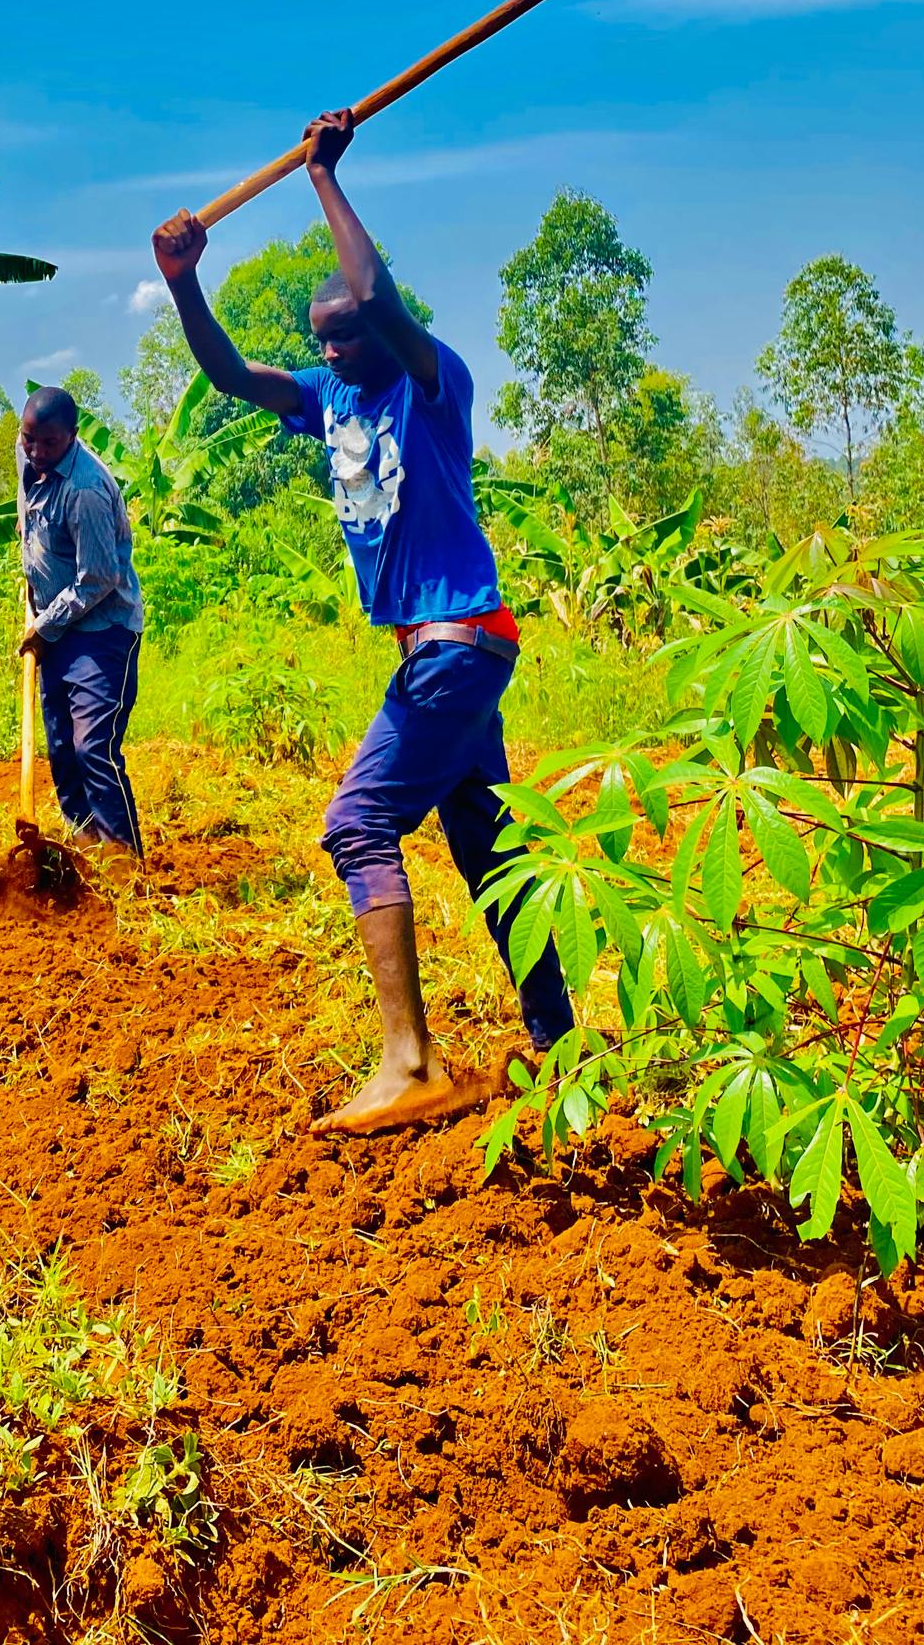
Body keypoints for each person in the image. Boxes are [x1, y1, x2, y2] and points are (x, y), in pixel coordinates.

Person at [151, 112, 574, 1135]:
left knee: (356, 823)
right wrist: (183, 282)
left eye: (347, 334)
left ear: (384, 331)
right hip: (448, 650)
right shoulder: (328, 398)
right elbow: (230, 376)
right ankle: (564, 1046)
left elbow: (379, 295)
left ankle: (409, 1061)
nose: (335, 349)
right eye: (323, 338)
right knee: (488, 851)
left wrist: (324, 179)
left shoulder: (434, 383)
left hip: (456, 641)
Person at [17, 386, 146, 852]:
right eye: (29, 439)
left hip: (101, 630)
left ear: (72, 435)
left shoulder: (85, 490)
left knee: (93, 747)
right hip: (55, 625)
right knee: (61, 749)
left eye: (49, 443)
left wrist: (44, 626)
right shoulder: (27, 453)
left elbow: (98, 578)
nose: (37, 452)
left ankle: (122, 863)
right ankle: (87, 847)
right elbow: (29, 509)